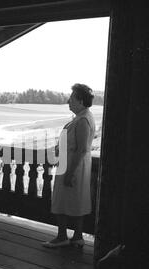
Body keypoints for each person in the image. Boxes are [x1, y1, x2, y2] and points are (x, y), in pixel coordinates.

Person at [42, 83, 96, 248]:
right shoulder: (81, 117)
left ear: (80, 101)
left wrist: (70, 173)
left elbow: (81, 149)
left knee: (62, 200)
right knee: (74, 200)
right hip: (73, 164)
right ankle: (76, 237)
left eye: (71, 98)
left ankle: (63, 236)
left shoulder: (83, 120)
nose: (68, 101)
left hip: (74, 166)